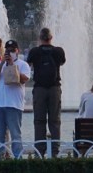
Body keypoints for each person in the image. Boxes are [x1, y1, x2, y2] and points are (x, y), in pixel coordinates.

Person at [26, 27, 66, 156]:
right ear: (51, 38)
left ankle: (39, 151)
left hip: (39, 89)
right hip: (54, 88)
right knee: (55, 121)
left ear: (40, 38)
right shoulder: (58, 51)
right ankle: (54, 151)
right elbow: (62, 62)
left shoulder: (34, 51)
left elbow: (29, 62)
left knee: (39, 121)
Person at [0, 39, 30, 159]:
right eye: (7, 50)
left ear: (17, 51)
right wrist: (3, 62)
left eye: (12, 50)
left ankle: (18, 159)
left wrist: (12, 64)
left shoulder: (23, 64)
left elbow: (24, 79)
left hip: (14, 105)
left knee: (15, 135)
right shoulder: (1, 64)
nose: (10, 52)